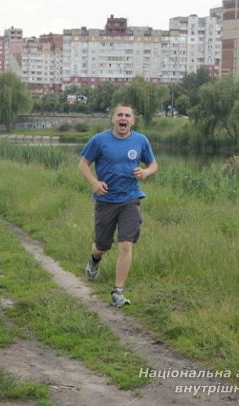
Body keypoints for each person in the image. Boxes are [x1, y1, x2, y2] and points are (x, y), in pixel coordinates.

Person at [78, 103, 158, 308]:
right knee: (102, 245)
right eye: (120, 115)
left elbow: (153, 164)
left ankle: (118, 292)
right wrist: (95, 183)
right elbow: (83, 164)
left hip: (131, 199)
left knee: (125, 244)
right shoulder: (99, 140)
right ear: (113, 119)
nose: (123, 118)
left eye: (127, 115)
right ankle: (94, 260)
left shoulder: (141, 140)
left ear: (132, 120)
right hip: (106, 201)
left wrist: (146, 172)